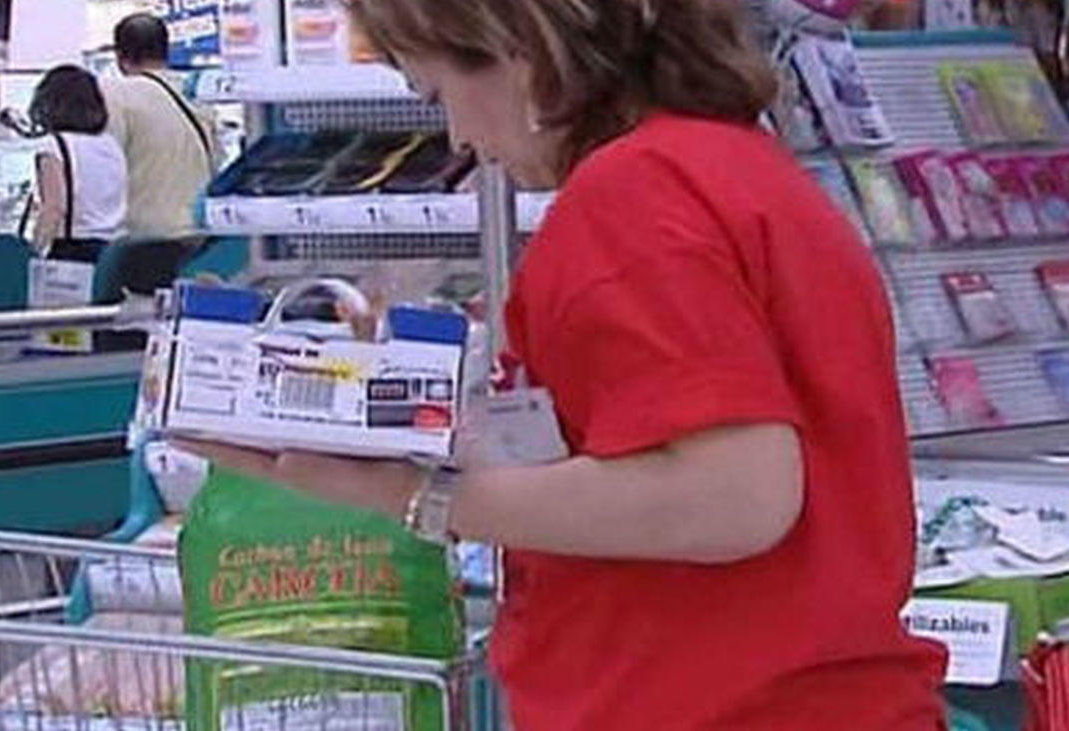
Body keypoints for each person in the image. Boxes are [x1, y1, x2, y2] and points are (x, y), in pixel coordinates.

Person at [181, 1, 948, 729]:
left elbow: (736, 495)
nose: (456, 135)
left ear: (518, 48)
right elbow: (644, 452)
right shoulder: (739, 169)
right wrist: (417, 419)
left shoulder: (633, 196)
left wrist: (422, 496)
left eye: (438, 89)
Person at [101, 13, 217, 238]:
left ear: (120, 56)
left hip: (144, 239)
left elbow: (106, 170)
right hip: (197, 231)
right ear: (166, 50)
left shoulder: (115, 95)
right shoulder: (195, 93)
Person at [27, 65, 127, 261]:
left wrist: (33, 251)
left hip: (72, 251)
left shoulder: (53, 146)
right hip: (112, 252)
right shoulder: (110, 144)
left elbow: (54, 208)